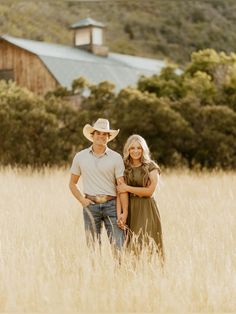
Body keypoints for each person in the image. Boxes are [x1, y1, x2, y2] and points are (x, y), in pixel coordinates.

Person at [69, 118, 128, 250]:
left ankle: (120, 271)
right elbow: (72, 183)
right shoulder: (80, 156)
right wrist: (82, 200)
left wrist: (124, 212)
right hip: (91, 206)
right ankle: (95, 271)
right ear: (92, 135)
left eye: (104, 134)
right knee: (93, 248)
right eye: (98, 133)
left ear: (108, 137)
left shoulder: (116, 158)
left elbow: (122, 188)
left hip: (112, 206)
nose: (101, 136)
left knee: (119, 246)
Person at [117, 134, 164, 259]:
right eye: (132, 148)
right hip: (128, 208)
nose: (136, 151)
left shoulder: (151, 167)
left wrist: (127, 188)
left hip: (146, 208)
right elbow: (118, 190)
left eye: (139, 148)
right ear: (128, 150)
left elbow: (149, 192)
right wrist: (121, 212)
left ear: (144, 149)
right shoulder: (123, 167)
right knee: (129, 246)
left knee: (147, 243)